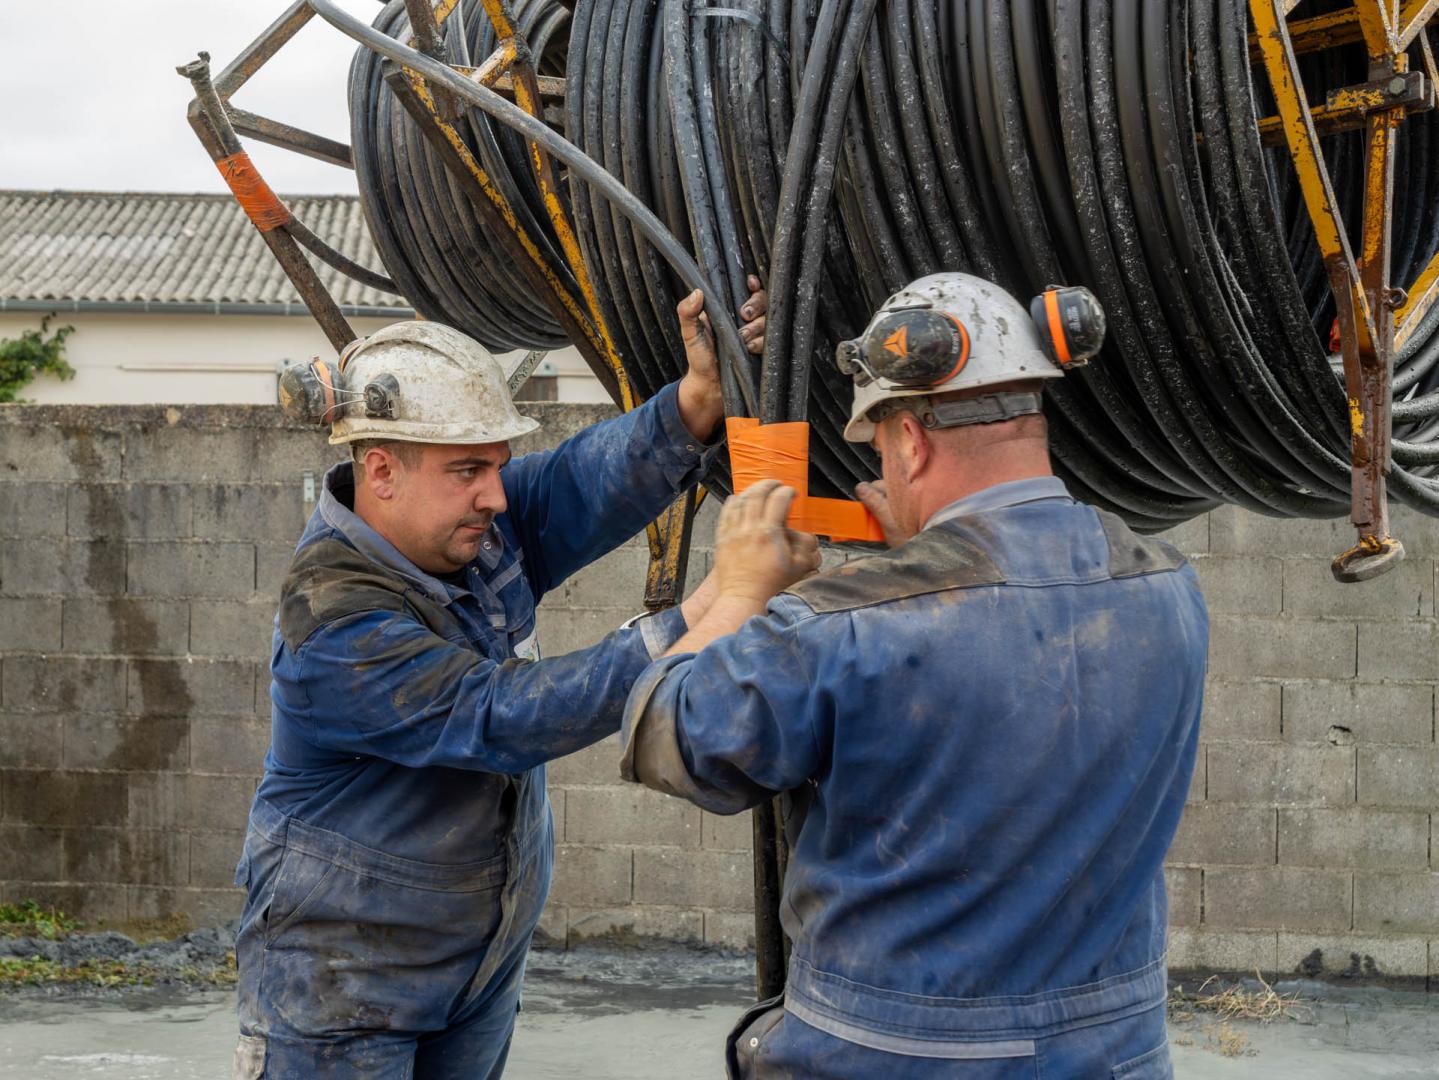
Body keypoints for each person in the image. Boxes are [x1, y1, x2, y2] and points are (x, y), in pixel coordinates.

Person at [620, 272, 1209, 1079]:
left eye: (882, 450)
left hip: (895, 1053)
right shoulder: (1165, 584)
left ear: (910, 441)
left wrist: (739, 591)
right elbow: (1007, 637)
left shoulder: (849, 624)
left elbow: (670, 735)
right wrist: (930, 552)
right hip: (1113, 1051)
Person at [232, 281, 784, 1079]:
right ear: (381, 470)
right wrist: (714, 602)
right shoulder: (333, 619)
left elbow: (577, 483)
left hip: (473, 962)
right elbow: (502, 717)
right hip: (341, 986)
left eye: (496, 464)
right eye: (467, 470)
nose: (493, 493)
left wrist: (698, 399)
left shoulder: (461, 528)